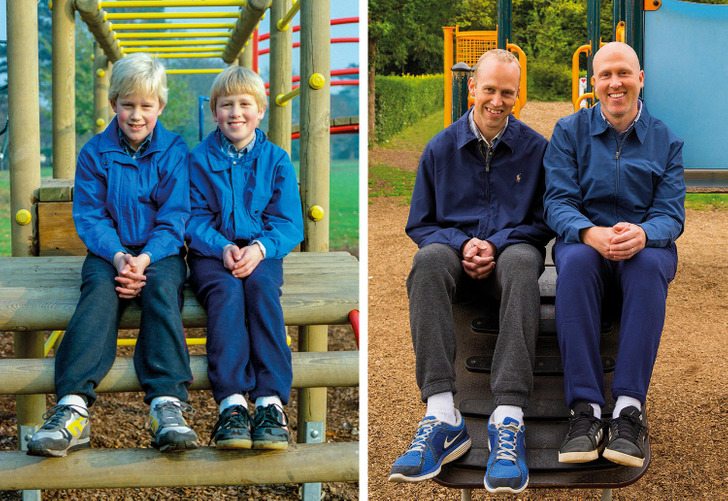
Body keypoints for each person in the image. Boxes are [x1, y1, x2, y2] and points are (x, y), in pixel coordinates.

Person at [388, 49, 554, 494]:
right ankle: (443, 413)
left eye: (507, 93)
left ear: (518, 95)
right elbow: (421, 223)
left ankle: (509, 416)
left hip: (510, 255)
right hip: (452, 256)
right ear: (471, 89)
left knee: (522, 261)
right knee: (426, 262)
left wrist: (496, 245)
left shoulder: (537, 149)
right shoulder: (440, 148)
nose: (497, 101)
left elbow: (543, 221)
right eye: (489, 90)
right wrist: (463, 244)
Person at [27, 53, 197, 457]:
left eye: (146, 106)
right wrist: (120, 256)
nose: (136, 115)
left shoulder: (174, 150)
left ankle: (166, 403)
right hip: (109, 252)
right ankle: (72, 406)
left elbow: (176, 216)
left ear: (160, 107)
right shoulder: (94, 153)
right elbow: (90, 215)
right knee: (98, 295)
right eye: (127, 105)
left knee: (161, 291)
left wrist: (147, 258)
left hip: (161, 251)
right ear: (113, 105)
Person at [543, 42, 685, 468]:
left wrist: (644, 233)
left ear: (640, 79)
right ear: (593, 83)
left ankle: (628, 411)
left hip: (644, 246)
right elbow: (557, 201)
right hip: (587, 241)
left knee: (646, 268)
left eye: (624, 73)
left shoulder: (666, 141)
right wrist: (588, 231)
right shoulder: (569, 132)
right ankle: (584, 411)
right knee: (578, 263)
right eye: (605, 75)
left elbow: (671, 213)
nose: (615, 83)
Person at [186, 66, 303, 450]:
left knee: (261, 292)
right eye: (226, 105)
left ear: (260, 110)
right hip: (212, 252)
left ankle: (270, 402)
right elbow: (193, 216)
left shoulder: (276, 159)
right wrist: (221, 247)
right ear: (213, 111)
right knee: (225, 296)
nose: (235, 113)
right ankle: (232, 403)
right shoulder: (199, 160)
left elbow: (287, 222)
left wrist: (259, 249)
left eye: (244, 104)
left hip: (261, 250)